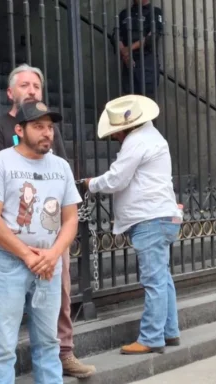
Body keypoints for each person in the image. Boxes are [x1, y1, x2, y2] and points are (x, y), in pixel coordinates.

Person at [0, 64, 95, 378]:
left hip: (51, 241)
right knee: (4, 337)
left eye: (36, 85)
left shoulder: (50, 142)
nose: (32, 90)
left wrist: (54, 251)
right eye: (25, 85)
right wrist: (26, 253)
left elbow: (63, 194)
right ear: (11, 93)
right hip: (14, 245)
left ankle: (65, 353)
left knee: (58, 308)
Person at [83, 95, 183, 354]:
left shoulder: (136, 141)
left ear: (125, 127)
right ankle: (169, 330)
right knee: (162, 277)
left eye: (116, 132)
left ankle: (151, 337)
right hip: (163, 215)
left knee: (154, 280)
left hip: (149, 218)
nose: (115, 137)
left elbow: (117, 179)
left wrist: (92, 184)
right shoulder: (153, 136)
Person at [114, 0, 164, 100]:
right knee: (129, 102)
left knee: (146, 102)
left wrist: (128, 49)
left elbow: (153, 36)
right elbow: (116, 35)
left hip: (147, 63)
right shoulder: (124, 13)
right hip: (128, 63)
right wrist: (125, 53)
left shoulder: (155, 12)